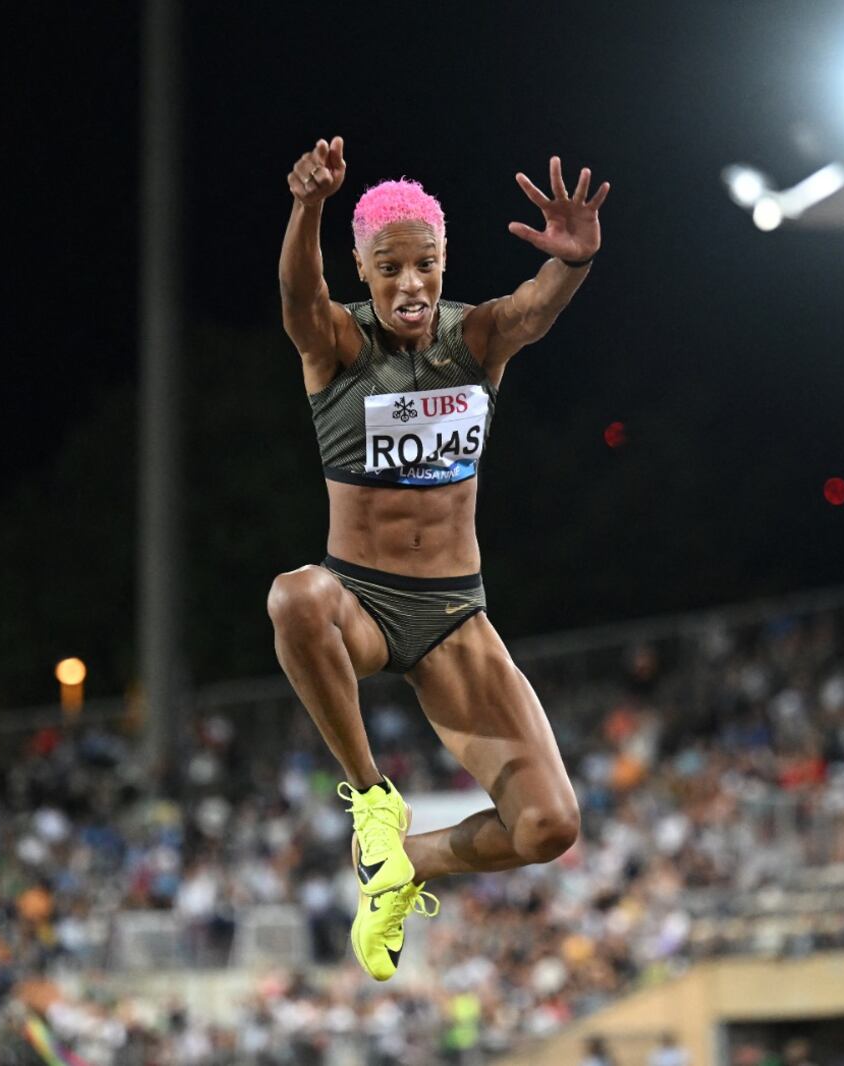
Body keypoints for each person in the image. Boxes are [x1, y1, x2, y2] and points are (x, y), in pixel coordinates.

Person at [270, 134, 609, 980]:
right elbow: (299, 296)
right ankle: (372, 801)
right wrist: (308, 208)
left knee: (549, 826)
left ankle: (405, 865)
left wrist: (572, 263)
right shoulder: (338, 345)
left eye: (424, 264)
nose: (410, 284)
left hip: (454, 610)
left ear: (443, 260)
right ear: (362, 269)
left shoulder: (475, 338)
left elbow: (533, 309)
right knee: (294, 598)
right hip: (362, 600)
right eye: (388, 269)